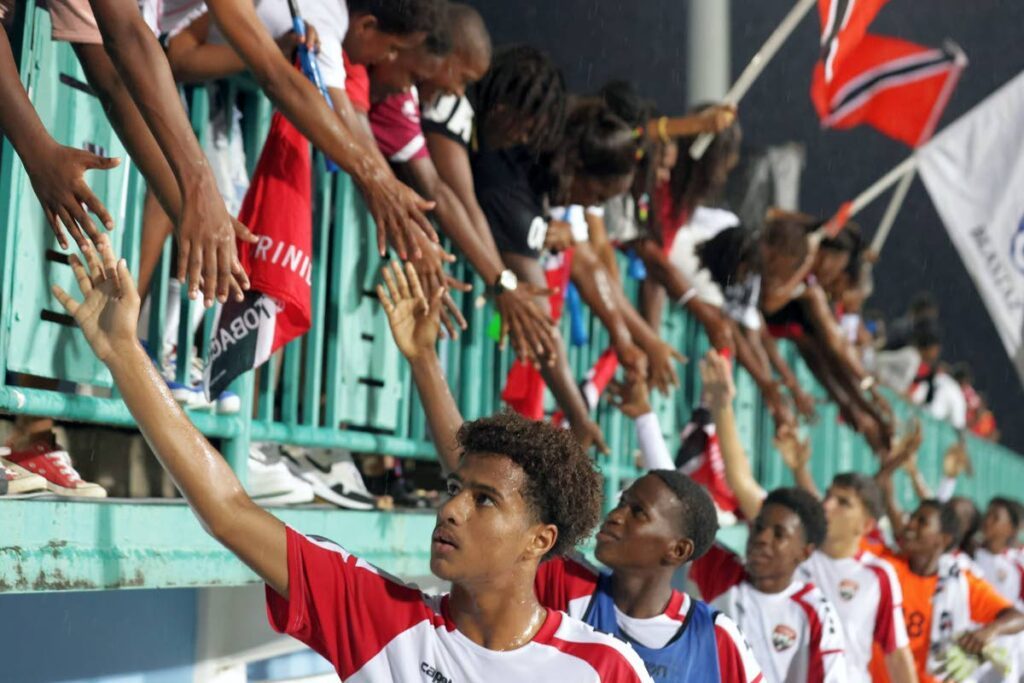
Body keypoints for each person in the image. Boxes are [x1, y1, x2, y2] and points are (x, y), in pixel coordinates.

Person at [52, 245, 654, 682]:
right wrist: (124, 351)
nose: (449, 508)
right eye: (455, 488)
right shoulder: (379, 617)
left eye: (484, 500)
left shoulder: (606, 669)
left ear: (539, 541)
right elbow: (229, 511)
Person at [382, 262, 764, 683]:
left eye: (636, 513)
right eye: (621, 502)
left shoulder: (717, 639)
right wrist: (423, 359)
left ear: (676, 551)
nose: (615, 515)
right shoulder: (568, 584)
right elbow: (469, 467)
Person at [367, 4, 557, 361]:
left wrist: (501, 281)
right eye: (463, 78)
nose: (458, 92)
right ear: (442, 54)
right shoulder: (400, 91)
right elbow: (441, 193)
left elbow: (438, 192)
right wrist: (501, 282)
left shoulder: (404, 97)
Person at [711, 386, 917, 683]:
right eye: (829, 496)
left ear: (866, 525)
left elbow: (896, 655)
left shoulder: (878, 575)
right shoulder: (790, 543)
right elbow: (740, 481)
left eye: (843, 502)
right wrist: (722, 406)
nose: (828, 504)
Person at [875, 468, 1024, 682]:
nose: (909, 524)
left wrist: (988, 632)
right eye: (912, 518)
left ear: (943, 539)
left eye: (921, 522)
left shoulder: (961, 580)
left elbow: (1017, 617)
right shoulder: (882, 566)